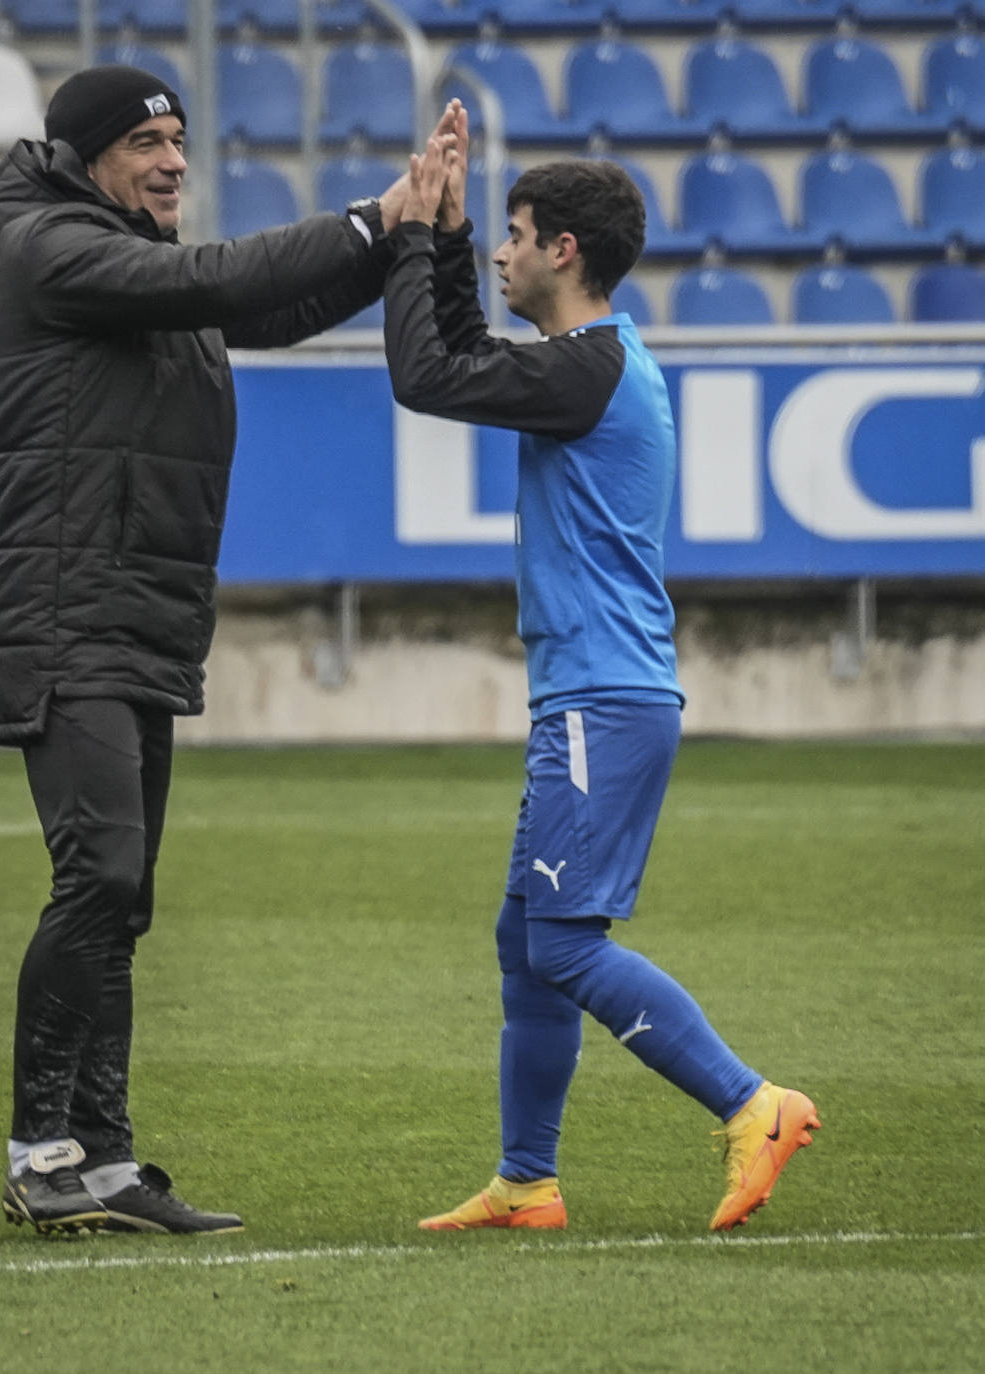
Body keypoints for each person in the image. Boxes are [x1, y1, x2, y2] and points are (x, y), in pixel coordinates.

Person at [0, 64, 425, 1237]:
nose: (173, 159)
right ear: (82, 159)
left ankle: (103, 1163)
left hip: (133, 616)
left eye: (178, 138)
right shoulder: (53, 251)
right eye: (143, 141)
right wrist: (371, 217)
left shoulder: (129, 264)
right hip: (63, 610)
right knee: (101, 878)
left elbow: (263, 309)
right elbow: (220, 279)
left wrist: (399, 234)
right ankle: (39, 1153)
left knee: (123, 900)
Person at [381, 107, 820, 1233]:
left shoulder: (591, 368)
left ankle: (752, 1105)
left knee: (565, 942)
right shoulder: (589, 365)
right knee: (526, 938)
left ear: (564, 251)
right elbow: (461, 358)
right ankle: (528, 1183)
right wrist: (450, 226)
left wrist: (411, 233)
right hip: (597, 696)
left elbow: (428, 376)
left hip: (605, 701)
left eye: (515, 236)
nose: (503, 256)